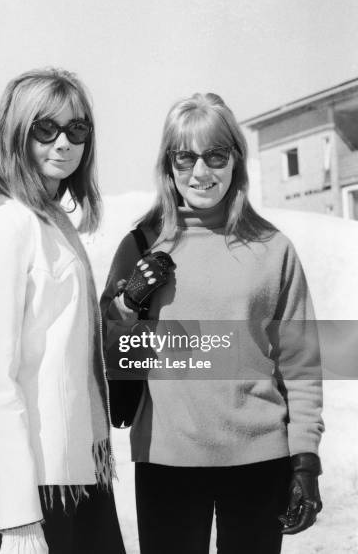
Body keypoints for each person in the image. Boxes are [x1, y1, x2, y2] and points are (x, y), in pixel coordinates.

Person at [101, 93, 324, 554]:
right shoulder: (141, 244)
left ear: (235, 160)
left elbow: (301, 365)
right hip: (167, 462)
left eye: (215, 155)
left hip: (259, 462)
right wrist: (127, 306)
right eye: (185, 157)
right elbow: (108, 354)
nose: (200, 173)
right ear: (169, 164)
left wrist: (305, 462)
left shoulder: (273, 248)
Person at [0, 68, 126, 554]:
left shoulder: (52, 219)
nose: (63, 144)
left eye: (76, 130)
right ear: (17, 134)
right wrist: (17, 519)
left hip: (80, 470)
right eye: (44, 130)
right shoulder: (2, 225)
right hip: (37, 484)